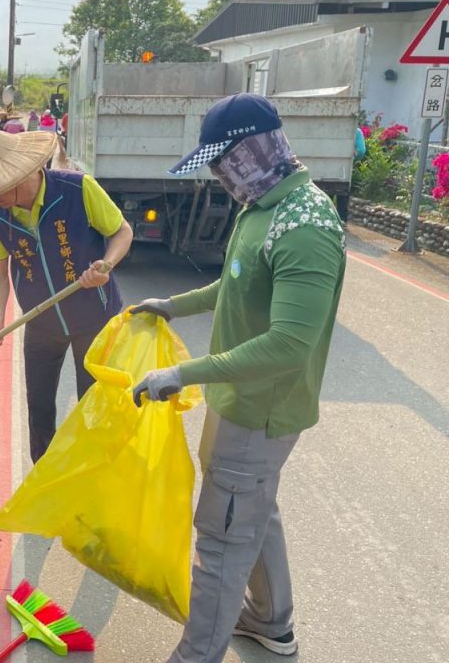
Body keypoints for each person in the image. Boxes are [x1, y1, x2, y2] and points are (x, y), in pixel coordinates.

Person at [131, 93, 347, 663]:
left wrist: (183, 373)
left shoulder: (305, 225)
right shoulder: (261, 207)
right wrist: (172, 306)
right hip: (237, 401)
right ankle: (271, 622)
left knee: (223, 540)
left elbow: (289, 344)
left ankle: (196, 654)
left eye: (224, 162)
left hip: (260, 410)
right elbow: (235, 282)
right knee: (253, 512)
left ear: (254, 149)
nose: (218, 176)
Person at [0, 129, 134, 462]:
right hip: (42, 322)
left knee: (95, 403)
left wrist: (106, 264)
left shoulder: (77, 189)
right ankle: (43, 477)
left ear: (19, 176)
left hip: (95, 318)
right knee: (38, 408)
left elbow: (122, 231)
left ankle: (95, 472)